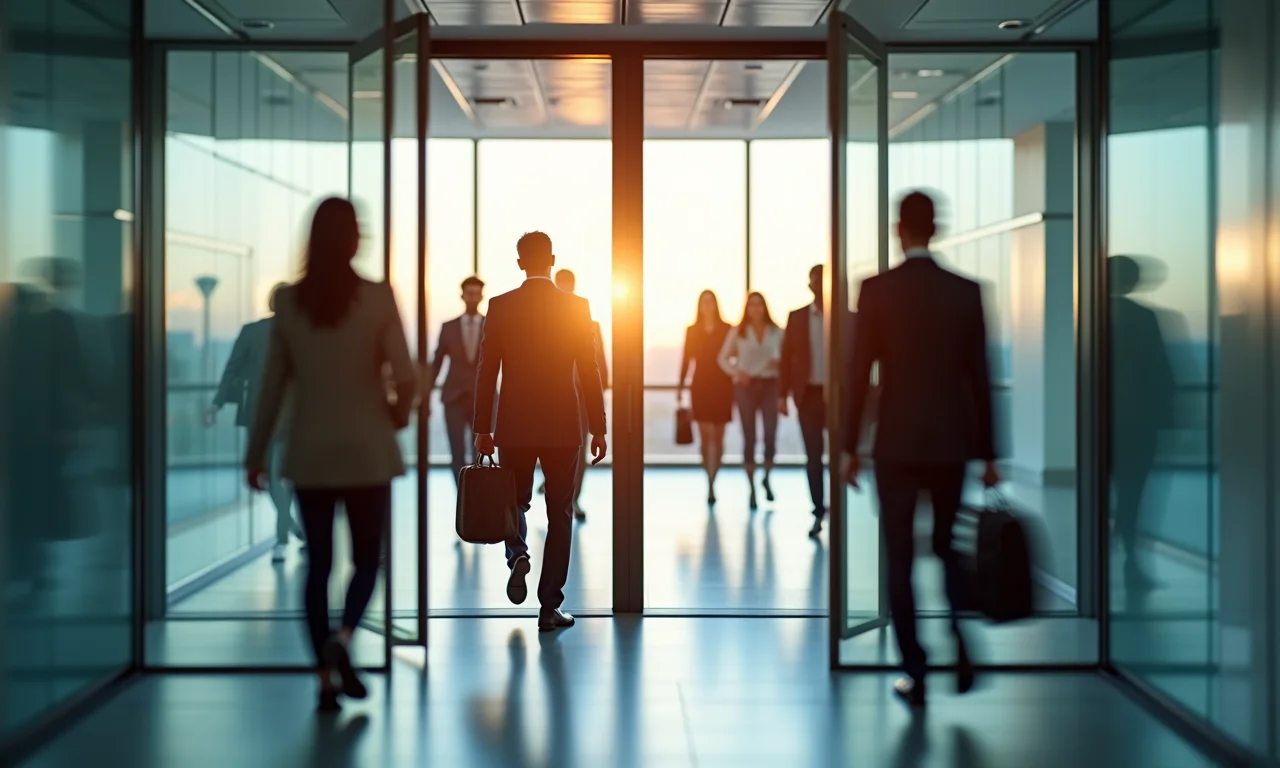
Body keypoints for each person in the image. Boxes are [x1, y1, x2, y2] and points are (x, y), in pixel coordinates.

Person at [244, 197, 417, 712]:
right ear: (355, 240)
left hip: (310, 451)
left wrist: (255, 454)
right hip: (367, 450)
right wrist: (396, 414)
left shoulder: (290, 303)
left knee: (318, 566)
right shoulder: (378, 297)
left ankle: (324, 679)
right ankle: (343, 638)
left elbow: (272, 387)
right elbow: (406, 374)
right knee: (367, 560)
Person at [842, 191, 998, 708]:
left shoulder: (877, 291)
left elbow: (859, 374)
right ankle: (959, 638)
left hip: (897, 442)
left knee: (900, 556)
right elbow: (980, 377)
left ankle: (915, 669)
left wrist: (848, 446)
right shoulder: (965, 292)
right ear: (936, 229)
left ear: (899, 231)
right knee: (948, 546)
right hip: (951, 442)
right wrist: (990, 453)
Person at [473, 231, 607, 633]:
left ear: (520, 263)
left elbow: (487, 371)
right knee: (560, 512)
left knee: (514, 500)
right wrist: (598, 428)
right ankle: (549, 608)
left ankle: (517, 553)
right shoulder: (576, 307)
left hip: (514, 424)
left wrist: (482, 428)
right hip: (563, 425)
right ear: (551, 260)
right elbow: (590, 372)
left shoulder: (500, 306)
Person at [207, 282, 304, 562]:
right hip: (288, 414)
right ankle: (290, 530)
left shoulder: (252, 331)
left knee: (273, 477)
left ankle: (284, 536)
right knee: (278, 477)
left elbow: (232, 370)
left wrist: (217, 404)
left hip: (266, 415)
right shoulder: (301, 332)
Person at [780, 265, 856, 537]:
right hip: (809, 395)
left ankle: (840, 510)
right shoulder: (797, 317)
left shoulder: (849, 318)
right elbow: (786, 358)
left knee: (840, 454)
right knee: (813, 457)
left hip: (840, 395)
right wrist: (782, 395)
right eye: (816, 282)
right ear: (810, 286)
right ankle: (818, 511)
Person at [535, 268, 607, 521]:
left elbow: (599, 362)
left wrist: (598, 395)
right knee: (551, 444)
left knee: (580, 448)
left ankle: (574, 499)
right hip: (553, 395)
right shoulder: (546, 321)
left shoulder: (590, 323)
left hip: (582, 395)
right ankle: (555, 486)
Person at [717, 291, 783, 510]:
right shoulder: (739, 332)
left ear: (765, 308)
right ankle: (752, 488)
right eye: (752, 305)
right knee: (749, 436)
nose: (756, 309)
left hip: (770, 385)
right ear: (747, 308)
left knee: (771, 434)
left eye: (759, 305)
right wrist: (737, 373)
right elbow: (722, 358)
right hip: (746, 387)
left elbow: (788, 356)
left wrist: (779, 363)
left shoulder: (776, 331)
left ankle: (767, 477)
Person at [676, 290, 734, 504]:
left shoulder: (727, 329)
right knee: (705, 436)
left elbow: (735, 354)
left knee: (718, 437)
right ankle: (709, 481)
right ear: (699, 305)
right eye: (704, 301)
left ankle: (713, 477)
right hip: (700, 385)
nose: (707, 305)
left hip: (723, 386)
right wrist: (680, 385)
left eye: (710, 301)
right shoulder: (692, 330)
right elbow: (686, 359)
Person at [430, 276, 486, 484]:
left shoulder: (491, 325)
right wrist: (426, 394)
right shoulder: (449, 327)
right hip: (453, 397)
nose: (473, 298)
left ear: (481, 296)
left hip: (482, 399)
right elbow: (437, 361)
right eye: (469, 293)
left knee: (480, 452)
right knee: (457, 452)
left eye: (476, 294)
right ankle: (461, 495)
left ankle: (476, 495)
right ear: (462, 296)